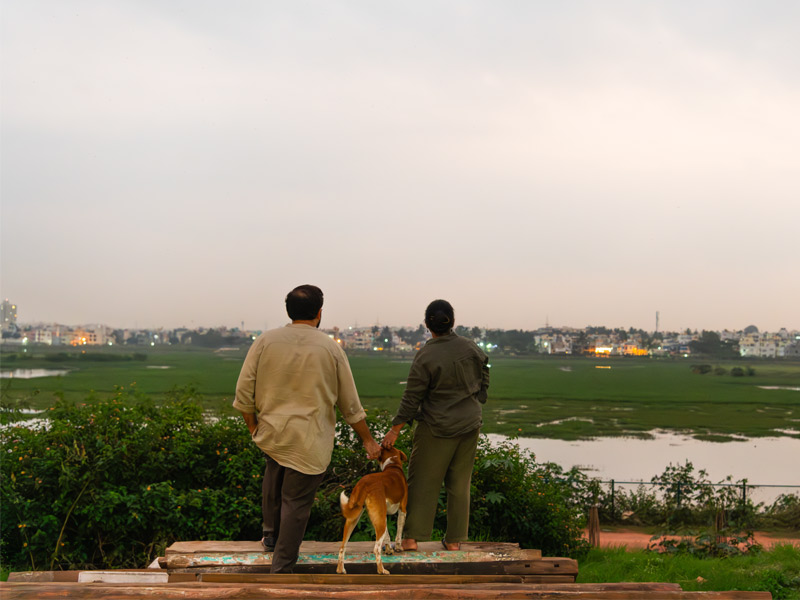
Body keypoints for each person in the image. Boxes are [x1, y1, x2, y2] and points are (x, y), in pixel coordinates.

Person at [234, 284, 381, 573]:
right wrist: (368, 441)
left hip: (272, 434)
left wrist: (254, 428)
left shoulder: (265, 341)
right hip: (310, 440)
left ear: (289, 311)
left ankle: (271, 537)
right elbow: (350, 405)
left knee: (273, 484)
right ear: (319, 312)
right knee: (296, 504)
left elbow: (243, 394)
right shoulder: (330, 348)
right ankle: (282, 570)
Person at [381, 299, 489, 551]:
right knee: (460, 484)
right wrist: (479, 396)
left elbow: (412, 397)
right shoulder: (470, 346)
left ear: (427, 324)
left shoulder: (426, 355)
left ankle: (411, 539)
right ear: (452, 320)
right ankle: (454, 541)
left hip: (436, 427)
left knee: (422, 482)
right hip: (470, 423)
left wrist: (395, 428)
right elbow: (485, 367)